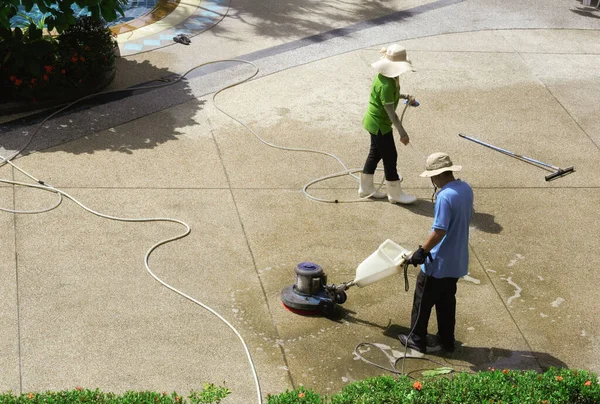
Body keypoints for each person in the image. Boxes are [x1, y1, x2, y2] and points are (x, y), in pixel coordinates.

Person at [399, 152, 473, 353]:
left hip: (438, 262)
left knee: (422, 301)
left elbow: (440, 230)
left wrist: (421, 251)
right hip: (457, 261)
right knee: (446, 303)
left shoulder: (444, 196)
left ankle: (416, 338)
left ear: (438, 175)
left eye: (432, 177)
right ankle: (447, 340)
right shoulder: (465, 189)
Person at [360, 44, 417, 204]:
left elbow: (391, 95)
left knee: (376, 153)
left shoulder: (388, 78)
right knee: (390, 156)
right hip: (379, 124)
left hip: (375, 121)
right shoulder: (385, 85)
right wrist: (402, 133)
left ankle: (365, 188)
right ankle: (395, 193)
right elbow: (391, 114)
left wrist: (404, 95)